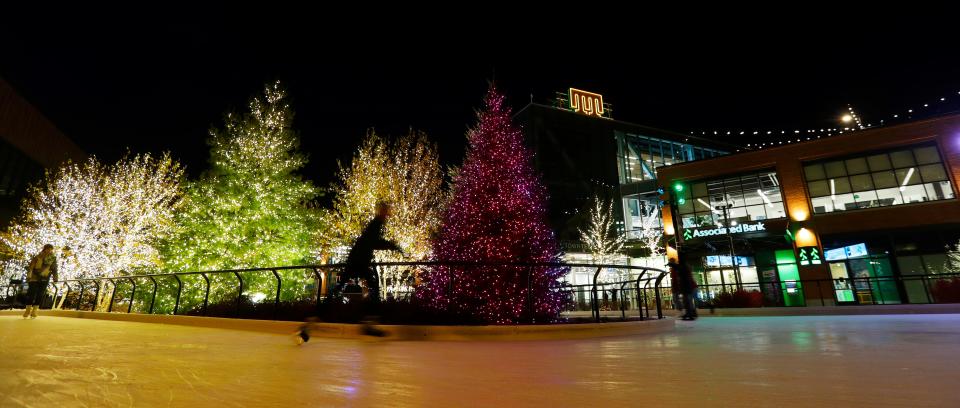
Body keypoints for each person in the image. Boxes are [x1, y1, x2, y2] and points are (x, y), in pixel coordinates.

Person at [23, 244, 58, 319]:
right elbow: (31, 266)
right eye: (48, 249)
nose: (49, 250)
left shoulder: (53, 258)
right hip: (34, 277)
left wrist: (55, 277)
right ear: (44, 249)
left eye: (50, 249)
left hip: (45, 277)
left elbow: (54, 268)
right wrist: (29, 275)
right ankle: (28, 310)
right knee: (31, 293)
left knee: (40, 294)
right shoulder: (38, 256)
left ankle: (34, 311)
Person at [669, 254, 698, 321]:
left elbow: (680, 275)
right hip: (687, 286)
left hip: (687, 286)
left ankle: (690, 314)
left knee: (687, 300)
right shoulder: (684, 266)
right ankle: (690, 314)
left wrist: (673, 265)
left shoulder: (682, 267)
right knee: (687, 300)